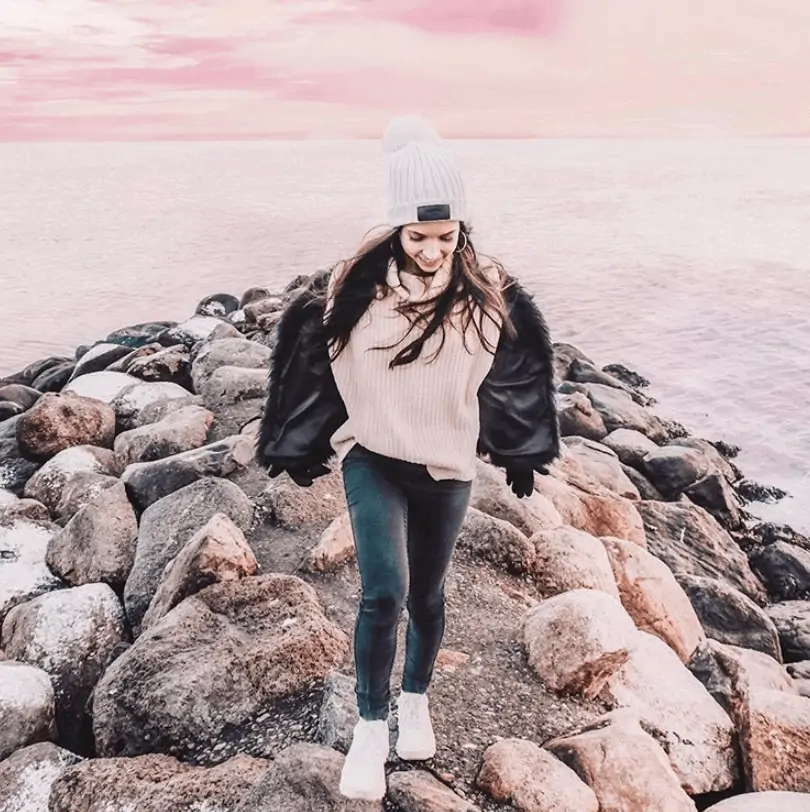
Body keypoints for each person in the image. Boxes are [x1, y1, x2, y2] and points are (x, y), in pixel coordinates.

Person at [255, 114, 559, 801]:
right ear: (396, 229)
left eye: (445, 237)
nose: (431, 249)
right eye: (417, 237)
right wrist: (296, 439)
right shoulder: (356, 291)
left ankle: (414, 698)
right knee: (384, 592)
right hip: (375, 462)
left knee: (427, 596)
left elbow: (517, 375)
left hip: (448, 469)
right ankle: (369, 728)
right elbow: (311, 361)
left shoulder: (487, 296)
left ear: (462, 230)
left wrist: (521, 449)